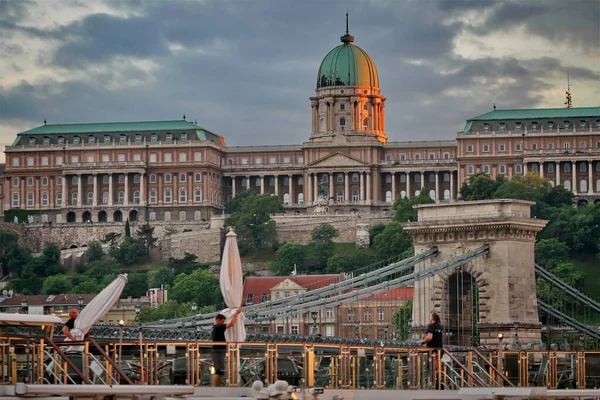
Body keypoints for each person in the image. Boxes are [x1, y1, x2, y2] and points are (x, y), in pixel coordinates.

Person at [211, 308, 242, 387]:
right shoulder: (218, 327)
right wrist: (236, 314)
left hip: (216, 351)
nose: (223, 323)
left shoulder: (214, 327)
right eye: (222, 321)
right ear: (218, 320)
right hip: (218, 351)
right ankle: (217, 388)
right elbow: (231, 324)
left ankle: (217, 387)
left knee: (219, 370)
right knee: (219, 371)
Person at [421, 312, 443, 389]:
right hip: (440, 349)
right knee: (436, 366)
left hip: (432, 349)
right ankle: (438, 382)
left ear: (432, 318)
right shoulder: (440, 327)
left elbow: (429, 337)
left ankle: (433, 383)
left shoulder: (431, 326)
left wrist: (423, 341)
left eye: (430, 317)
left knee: (430, 366)